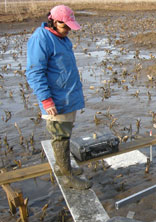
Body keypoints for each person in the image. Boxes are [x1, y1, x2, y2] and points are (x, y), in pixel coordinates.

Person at [26, 5, 91, 190]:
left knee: (65, 134)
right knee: (60, 137)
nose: (68, 30)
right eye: (65, 26)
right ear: (53, 21)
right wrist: (46, 100)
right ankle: (67, 177)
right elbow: (34, 72)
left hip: (67, 97)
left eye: (70, 27)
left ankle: (64, 168)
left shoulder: (62, 38)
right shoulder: (41, 39)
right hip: (55, 100)